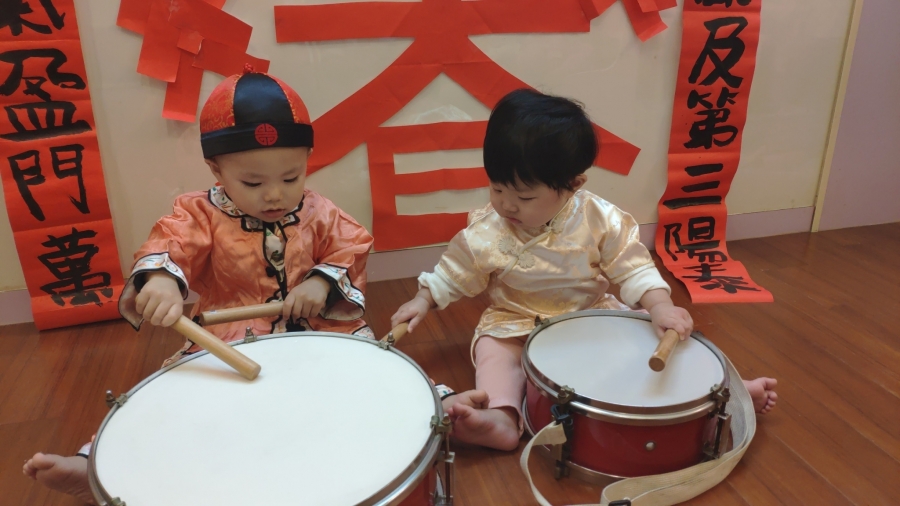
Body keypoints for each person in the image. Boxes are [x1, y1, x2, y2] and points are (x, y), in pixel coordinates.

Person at [24, 68, 374, 504]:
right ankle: (96, 463)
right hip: (231, 330)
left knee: (375, 368)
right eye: (253, 182)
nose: (275, 195)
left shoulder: (319, 211)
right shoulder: (200, 213)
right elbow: (171, 243)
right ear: (216, 169)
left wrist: (321, 283)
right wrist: (160, 282)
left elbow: (351, 243)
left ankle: (433, 410)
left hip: (317, 323)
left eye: (292, 177)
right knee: (173, 393)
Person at [391, 89, 777, 451]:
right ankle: (502, 417)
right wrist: (423, 299)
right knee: (495, 354)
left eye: (524, 196)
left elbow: (633, 266)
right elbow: (454, 271)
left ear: (573, 184)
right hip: (515, 320)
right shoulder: (487, 230)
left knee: (645, 336)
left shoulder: (599, 220)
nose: (507, 205)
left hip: (590, 315)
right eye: (497, 189)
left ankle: (720, 394)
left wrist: (660, 306)